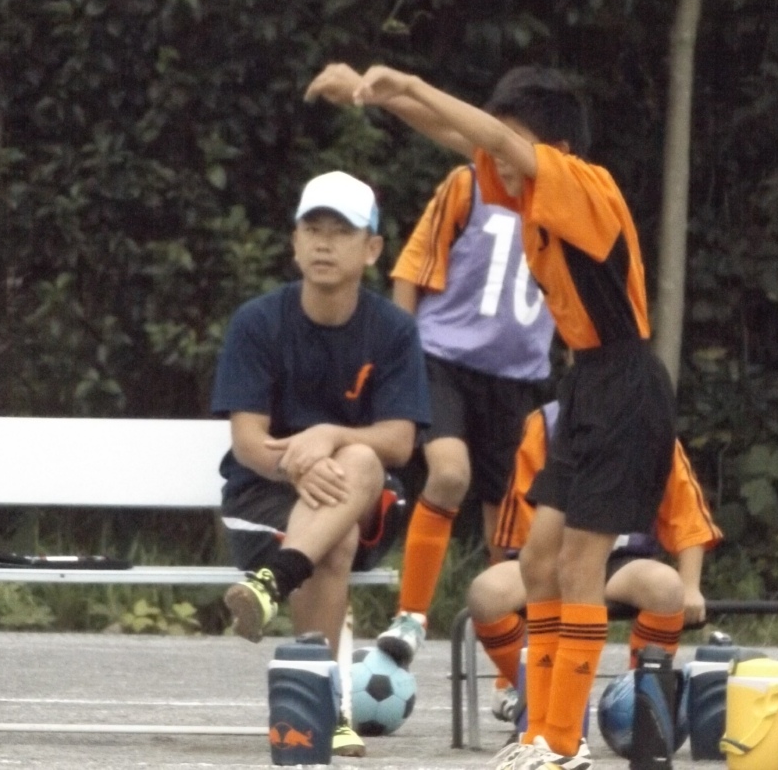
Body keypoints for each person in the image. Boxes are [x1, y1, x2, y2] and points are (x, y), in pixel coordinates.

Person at [306, 63, 676, 770]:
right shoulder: (533, 189)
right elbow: (469, 140)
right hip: (586, 383)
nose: (496, 160)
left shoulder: (584, 183)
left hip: (626, 385)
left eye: (513, 141)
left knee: (581, 564)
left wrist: (412, 81)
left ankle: (564, 743)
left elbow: (490, 138)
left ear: (556, 147)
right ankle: (543, 730)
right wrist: (385, 99)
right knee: (537, 560)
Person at [212, 170, 431, 758]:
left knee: (360, 458)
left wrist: (328, 435)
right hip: (264, 495)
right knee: (335, 537)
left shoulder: (393, 330)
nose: (324, 243)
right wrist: (299, 466)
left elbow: (400, 443)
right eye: (313, 229)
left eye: (341, 231)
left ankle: (273, 583)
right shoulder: (258, 321)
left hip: (360, 494)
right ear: (294, 241)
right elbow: (249, 443)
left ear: (372, 248)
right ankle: (326, 710)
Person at [376, 158, 555, 669]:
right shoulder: (467, 184)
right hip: (443, 359)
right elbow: (411, 271)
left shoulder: (566, 200)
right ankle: (411, 616)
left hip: (516, 376)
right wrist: (400, 363)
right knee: (450, 474)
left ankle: (510, 678)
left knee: (510, 522)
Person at [469, 401, 721, 727]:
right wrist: (560, 570)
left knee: (666, 587)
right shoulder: (546, 422)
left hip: (621, 562)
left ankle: (643, 704)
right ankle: (532, 686)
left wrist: (690, 585)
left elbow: (686, 514)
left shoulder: (650, 421)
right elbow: (523, 524)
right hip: (553, 559)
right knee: (487, 592)